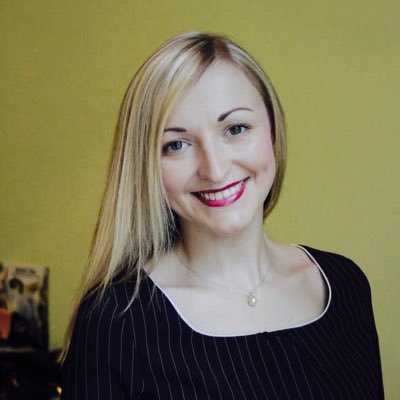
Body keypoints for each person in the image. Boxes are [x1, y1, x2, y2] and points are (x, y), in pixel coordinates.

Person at [60, 32, 384, 399]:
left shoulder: (345, 284)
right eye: (176, 145)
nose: (214, 170)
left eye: (235, 129)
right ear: (145, 166)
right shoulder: (116, 320)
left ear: (273, 132)